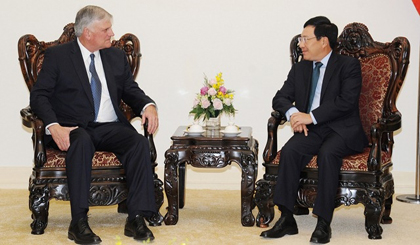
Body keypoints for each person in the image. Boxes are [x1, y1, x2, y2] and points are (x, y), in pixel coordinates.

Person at [30, 5, 159, 244]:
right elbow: (39, 96)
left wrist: (147, 106)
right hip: (74, 127)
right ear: (87, 32)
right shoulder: (58, 56)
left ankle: (136, 218)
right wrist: (53, 126)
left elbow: (131, 90)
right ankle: (78, 222)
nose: (112, 34)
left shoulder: (115, 56)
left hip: (110, 126)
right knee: (80, 141)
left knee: (138, 143)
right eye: (106, 29)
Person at [260, 16, 368, 244]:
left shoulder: (348, 66)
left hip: (342, 130)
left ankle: (323, 223)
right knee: (290, 152)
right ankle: (287, 217)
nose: (301, 44)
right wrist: (293, 114)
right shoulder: (301, 68)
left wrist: (310, 116)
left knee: (328, 155)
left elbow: (346, 102)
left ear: (324, 41)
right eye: (300, 39)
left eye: (305, 39)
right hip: (312, 130)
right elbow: (279, 98)